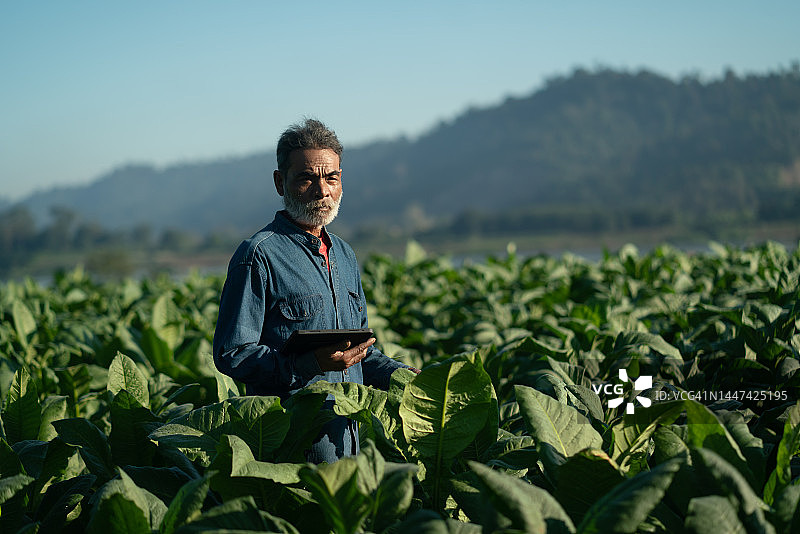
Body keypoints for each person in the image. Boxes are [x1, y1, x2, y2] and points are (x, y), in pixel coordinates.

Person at [213, 118, 417, 464]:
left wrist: (402, 375)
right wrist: (309, 364)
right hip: (292, 447)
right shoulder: (258, 255)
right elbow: (232, 353)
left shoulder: (344, 255)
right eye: (306, 178)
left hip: (348, 443)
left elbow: (359, 353)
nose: (322, 191)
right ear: (281, 182)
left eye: (331, 178)